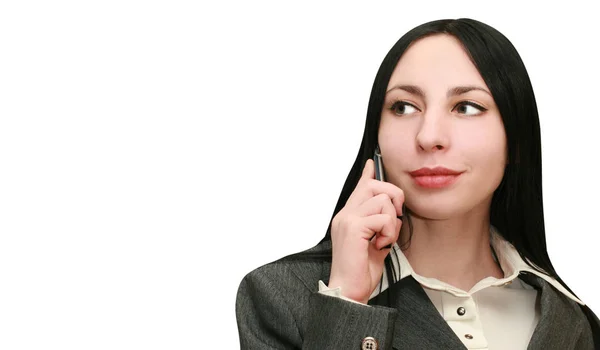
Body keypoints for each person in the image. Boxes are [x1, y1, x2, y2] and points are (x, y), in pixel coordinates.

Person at [235, 18, 600, 349]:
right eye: (404, 107)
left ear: (515, 143)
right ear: (376, 139)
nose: (429, 136)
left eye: (467, 107)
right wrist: (346, 301)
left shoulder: (571, 322)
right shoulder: (283, 295)